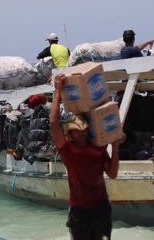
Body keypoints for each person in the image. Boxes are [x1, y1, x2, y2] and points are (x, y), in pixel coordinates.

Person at [50, 74, 126, 240]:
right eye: (76, 130)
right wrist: (57, 91)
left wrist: (115, 146)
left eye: (82, 128)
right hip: (79, 211)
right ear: (69, 134)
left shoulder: (98, 148)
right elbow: (54, 122)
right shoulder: (67, 150)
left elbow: (112, 174)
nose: (81, 132)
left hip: (101, 209)